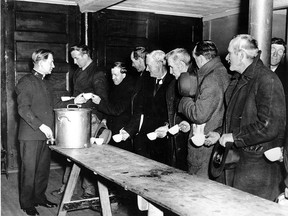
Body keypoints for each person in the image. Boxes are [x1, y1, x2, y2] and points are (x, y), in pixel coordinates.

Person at [206, 34, 286, 201]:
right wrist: (221, 133)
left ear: (241, 55)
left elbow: (269, 126)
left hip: (257, 171)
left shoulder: (267, 79)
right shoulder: (243, 79)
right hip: (241, 164)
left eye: (230, 53)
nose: (227, 57)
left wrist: (234, 136)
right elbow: (241, 119)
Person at [54, 44, 109, 200]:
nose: (75, 61)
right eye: (73, 58)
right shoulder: (78, 72)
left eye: (77, 58)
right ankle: (68, 187)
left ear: (86, 55)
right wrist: (72, 101)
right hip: (77, 117)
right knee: (72, 152)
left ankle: (89, 191)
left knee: (87, 156)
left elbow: (101, 100)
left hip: (91, 118)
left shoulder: (98, 73)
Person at [177, 41, 230, 178]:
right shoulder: (222, 72)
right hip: (213, 145)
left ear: (200, 58)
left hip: (203, 148)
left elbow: (199, 115)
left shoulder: (211, 78)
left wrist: (184, 100)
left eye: (195, 59)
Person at [15, 49, 57, 216]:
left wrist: (74, 100)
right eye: (51, 62)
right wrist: (41, 126)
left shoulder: (46, 83)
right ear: (41, 62)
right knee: (29, 170)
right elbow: (23, 109)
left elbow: (49, 107)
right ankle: (27, 203)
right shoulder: (26, 82)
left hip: (45, 134)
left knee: (42, 169)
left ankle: (39, 197)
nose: (53, 66)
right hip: (30, 135)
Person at [153, 48, 193, 170]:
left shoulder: (196, 82)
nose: (170, 72)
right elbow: (171, 112)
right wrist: (166, 126)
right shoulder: (172, 85)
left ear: (181, 65)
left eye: (171, 67)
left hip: (189, 145)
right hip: (174, 146)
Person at [132, 50, 174, 163]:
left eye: (149, 66)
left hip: (164, 142)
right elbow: (139, 108)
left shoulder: (173, 81)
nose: (146, 69)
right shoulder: (146, 80)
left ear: (159, 64)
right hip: (146, 141)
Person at [92, 62, 136, 151]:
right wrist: (105, 119)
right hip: (113, 128)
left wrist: (100, 102)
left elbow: (116, 110)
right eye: (112, 75)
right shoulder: (117, 85)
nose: (112, 78)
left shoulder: (129, 88)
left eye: (115, 75)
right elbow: (110, 103)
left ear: (124, 74)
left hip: (122, 132)